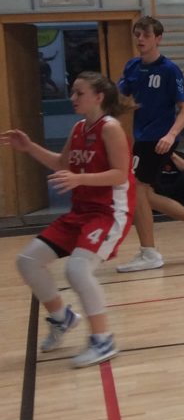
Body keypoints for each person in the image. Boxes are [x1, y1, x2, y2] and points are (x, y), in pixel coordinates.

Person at [2, 72, 133, 366]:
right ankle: (63, 318)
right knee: (28, 261)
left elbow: (120, 174)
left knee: (77, 269)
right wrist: (29, 147)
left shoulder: (110, 128)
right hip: (81, 212)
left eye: (79, 93)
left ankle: (103, 341)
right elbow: (63, 164)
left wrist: (79, 178)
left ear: (98, 97)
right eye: (73, 92)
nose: (72, 98)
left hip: (109, 212)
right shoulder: (78, 128)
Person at [115, 15, 184, 272]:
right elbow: (122, 97)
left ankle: (149, 252)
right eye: (137, 35)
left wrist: (171, 135)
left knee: (137, 190)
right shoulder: (132, 66)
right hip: (141, 138)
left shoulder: (169, 69)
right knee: (144, 194)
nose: (140, 39)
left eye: (146, 35)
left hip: (159, 138)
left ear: (158, 38)